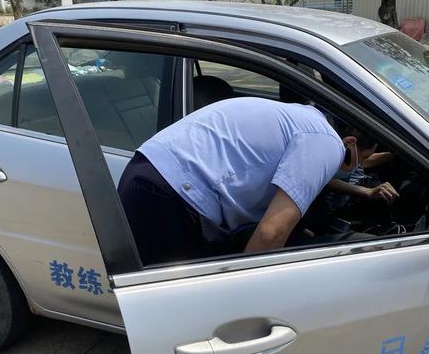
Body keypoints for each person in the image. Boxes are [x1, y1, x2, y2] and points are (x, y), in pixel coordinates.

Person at [117, 97, 375, 265]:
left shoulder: (305, 120)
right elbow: (270, 232)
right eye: (361, 160)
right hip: (168, 197)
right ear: (349, 142)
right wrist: (242, 301)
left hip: (151, 175)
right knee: (189, 308)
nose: (358, 167)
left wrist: (362, 192)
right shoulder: (327, 143)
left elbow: (304, 178)